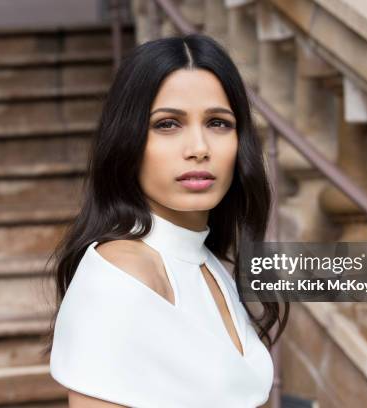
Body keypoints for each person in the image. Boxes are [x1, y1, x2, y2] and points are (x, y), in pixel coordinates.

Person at [44, 33, 289, 408]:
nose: (199, 149)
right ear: (127, 140)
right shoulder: (121, 275)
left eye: (218, 123)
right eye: (168, 124)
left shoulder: (207, 263)